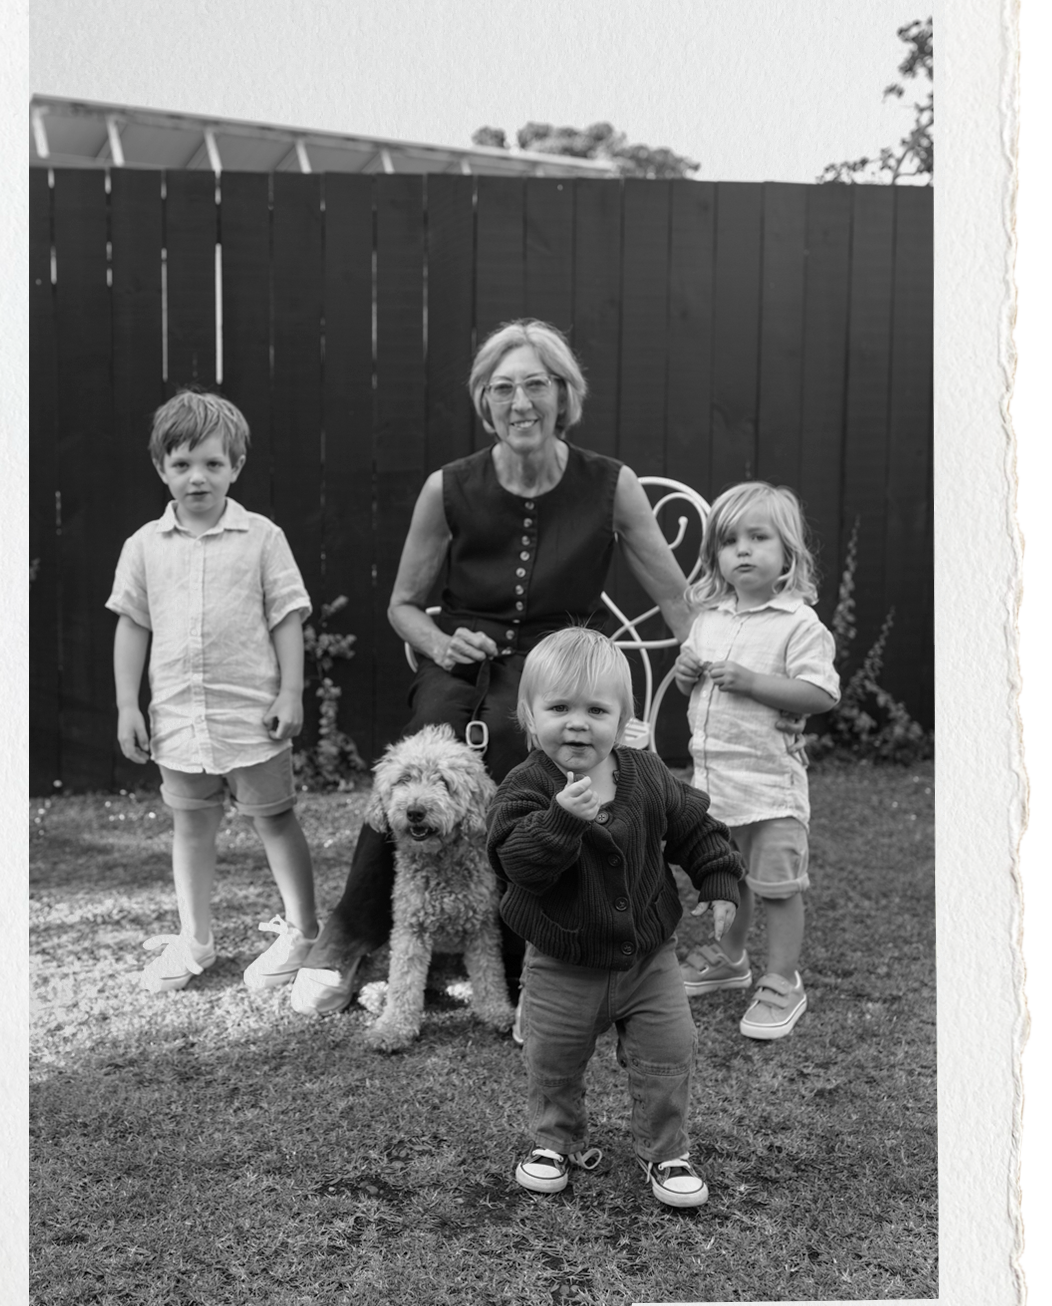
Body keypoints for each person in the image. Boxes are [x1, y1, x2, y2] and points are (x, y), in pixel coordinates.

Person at [290, 319, 698, 1017]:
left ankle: (520, 951)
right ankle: (350, 937)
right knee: (426, 744)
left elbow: (676, 598)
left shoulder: (612, 483)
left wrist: (707, 661)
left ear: (563, 394)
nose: (520, 402)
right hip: (463, 658)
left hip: (562, 662)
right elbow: (403, 605)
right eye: (502, 388)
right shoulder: (447, 487)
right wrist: (440, 642)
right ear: (484, 401)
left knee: (523, 738)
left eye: (535, 385)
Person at [486, 627, 743, 1206]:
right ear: (529, 715)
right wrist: (560, 820)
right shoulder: (525, 786)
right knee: (552, 1057)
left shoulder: (645, 774)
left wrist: (718, 876)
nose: (577, 724)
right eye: (559, 708)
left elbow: (694, 826)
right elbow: (516, 864)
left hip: (649, 958)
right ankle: (555, 1141)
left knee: (670, 1051)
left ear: (623, 719)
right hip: (562, 959)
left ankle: (665, 1151)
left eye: (596, 710)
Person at [107, 388, 319, 994]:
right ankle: (196, 938)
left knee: (274, 820)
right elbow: (133, 625)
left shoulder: (262, 537)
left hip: (252, 717)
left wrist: (291, 693)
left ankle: (304, 932)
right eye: (182, 464)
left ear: (236, 466)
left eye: (212, 463)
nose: (196, 477)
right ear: (161, 468)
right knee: (191, 826)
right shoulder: (144, 546)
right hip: (178, 718)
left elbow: (286, 616)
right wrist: (127, 706)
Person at [673, 481, 840, 1040]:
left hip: (770, 789)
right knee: (728, 881)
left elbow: (820, 693)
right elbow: (692, 688)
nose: (742, 550)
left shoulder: (798, 623)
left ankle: (783, 980)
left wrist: (752, 682)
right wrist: (684, 675)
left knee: (778, 887)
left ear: (787, 552)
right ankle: (730, 959)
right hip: (717, 786)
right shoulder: (709, 620)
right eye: (729, 541)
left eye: (758, 538)